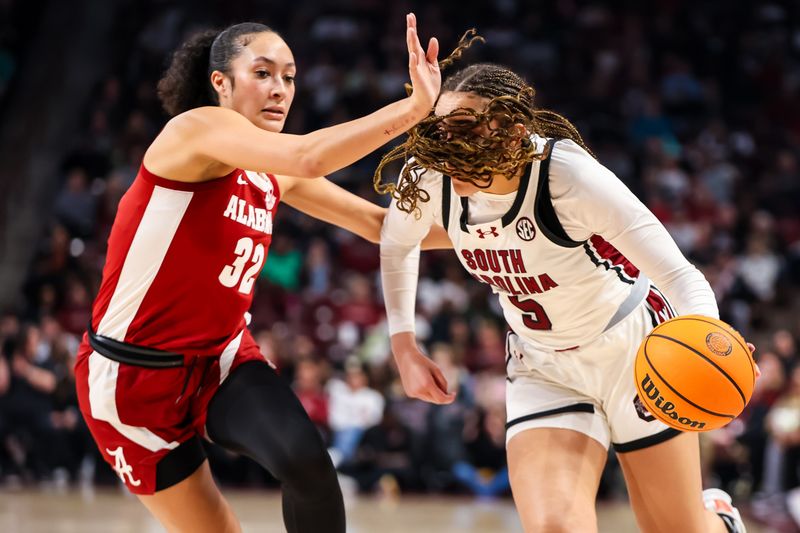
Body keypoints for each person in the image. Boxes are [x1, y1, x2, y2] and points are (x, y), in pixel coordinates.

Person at [74, 14, 446, 533]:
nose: (280, 90)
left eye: (290, 77)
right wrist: (413, 109)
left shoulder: (272, 168)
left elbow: (381, 224)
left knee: (309, 466)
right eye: (264, 73)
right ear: (219, 83)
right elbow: (310, 155)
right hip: (132, 379)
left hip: (219, 359)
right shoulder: (193, 131)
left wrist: (504, 226)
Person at [377, 61, 758, 533]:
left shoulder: (570, 178)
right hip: (544, 366)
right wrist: (403, 343)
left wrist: (710, 343)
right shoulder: (431, 176)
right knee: (555, 526)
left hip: (634, 355)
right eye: (443, 128)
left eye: (466, 129)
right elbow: (396, 242)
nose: (448, 146)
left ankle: (718, 519)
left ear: (513, 134)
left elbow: (681, 275)